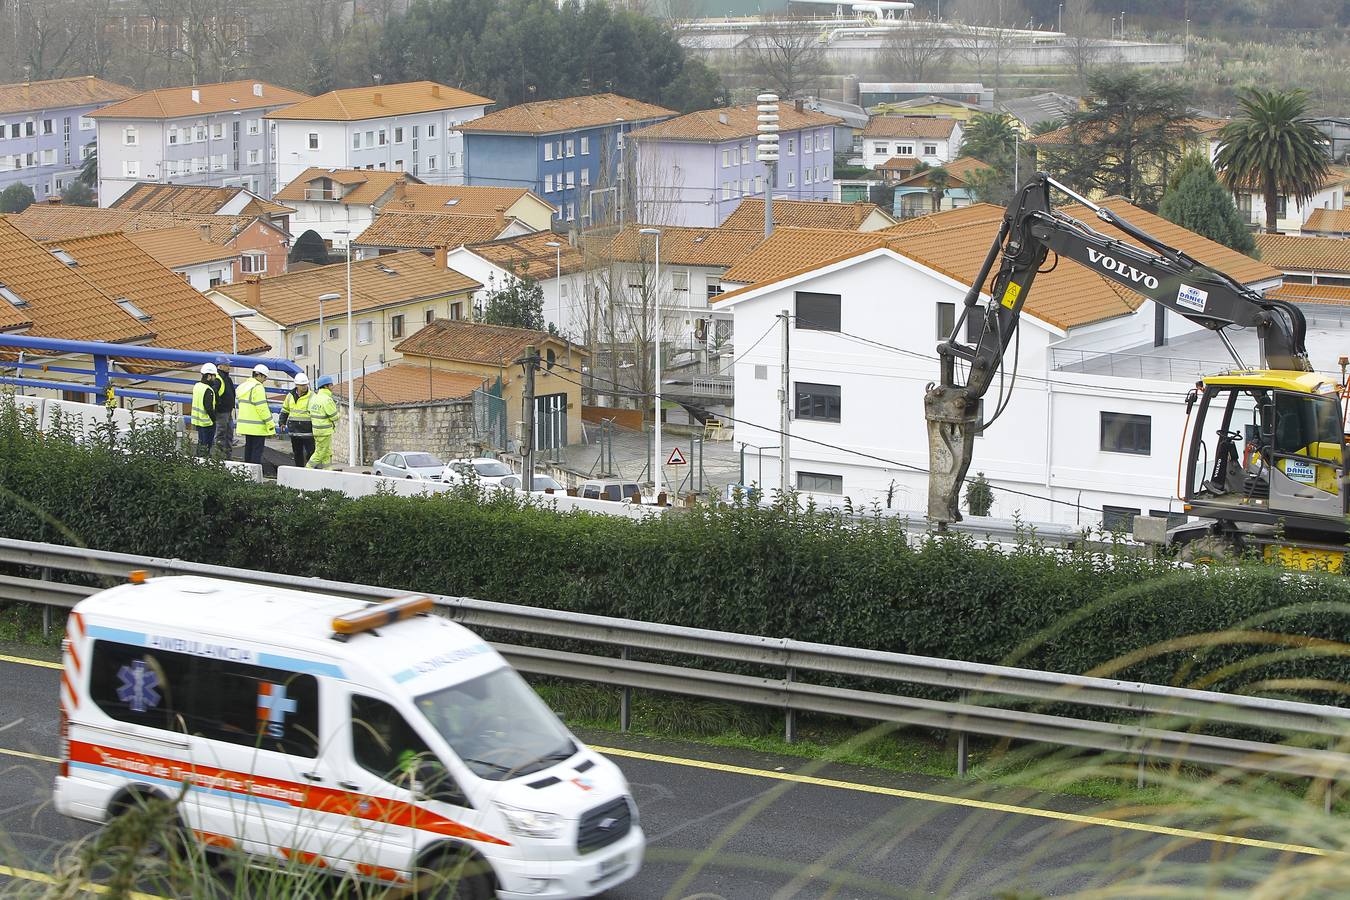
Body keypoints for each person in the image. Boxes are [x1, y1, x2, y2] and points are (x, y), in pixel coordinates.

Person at [237, 364, 276, 466]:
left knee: (248, 449)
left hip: (246, 426)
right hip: (257, 427)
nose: (265, 380)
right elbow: (262, 408)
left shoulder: (244, 386)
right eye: (265, 377)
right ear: (260, 376)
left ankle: (246, 473)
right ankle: (254, 477)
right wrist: (271, 425)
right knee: (256, 453)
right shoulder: (258, 388)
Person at [279, 372, 315, 467]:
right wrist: (282, 422)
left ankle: (310, 470)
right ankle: (299, 469)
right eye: (302, 385)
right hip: (294, 431)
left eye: (305, 385)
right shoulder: (290, 396)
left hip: (307, 431)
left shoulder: (312, 396)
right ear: (296, 385)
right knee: (297, 452)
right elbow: (285, 409)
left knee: (311, 452)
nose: (304, 387)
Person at [306, 375, 339, 470]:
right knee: (320, 453)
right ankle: (307, 469)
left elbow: (309, 412)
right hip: (325, 431)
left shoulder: (314, 398)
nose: (332, 386)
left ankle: (327, 472)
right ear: (326, 386)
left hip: (316, 430)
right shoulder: (327, 399)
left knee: (326, 453)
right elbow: (334, 417)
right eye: (331, 385)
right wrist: (339, 414)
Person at [190, 363, 220, 456]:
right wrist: (214, 419)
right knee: (206, 446)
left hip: (198, 421)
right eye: (214, 376)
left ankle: (199, 463)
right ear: (209, 376)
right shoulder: (208, 390)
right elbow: (209, 408)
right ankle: (204, 464)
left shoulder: (197, 386)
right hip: (207, 423)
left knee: (201, 444)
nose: (215, 379)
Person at [212, 356, 237, 460]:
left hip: (227, 410)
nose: (229, 367)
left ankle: (227, 456)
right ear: (220, 366)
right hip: (221, 411)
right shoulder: (218, 379)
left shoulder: (225, 378)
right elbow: (213, 394)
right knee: (221, 435)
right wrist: (219, 405)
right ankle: (220, 458)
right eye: (227, 365)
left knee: (228, 435)